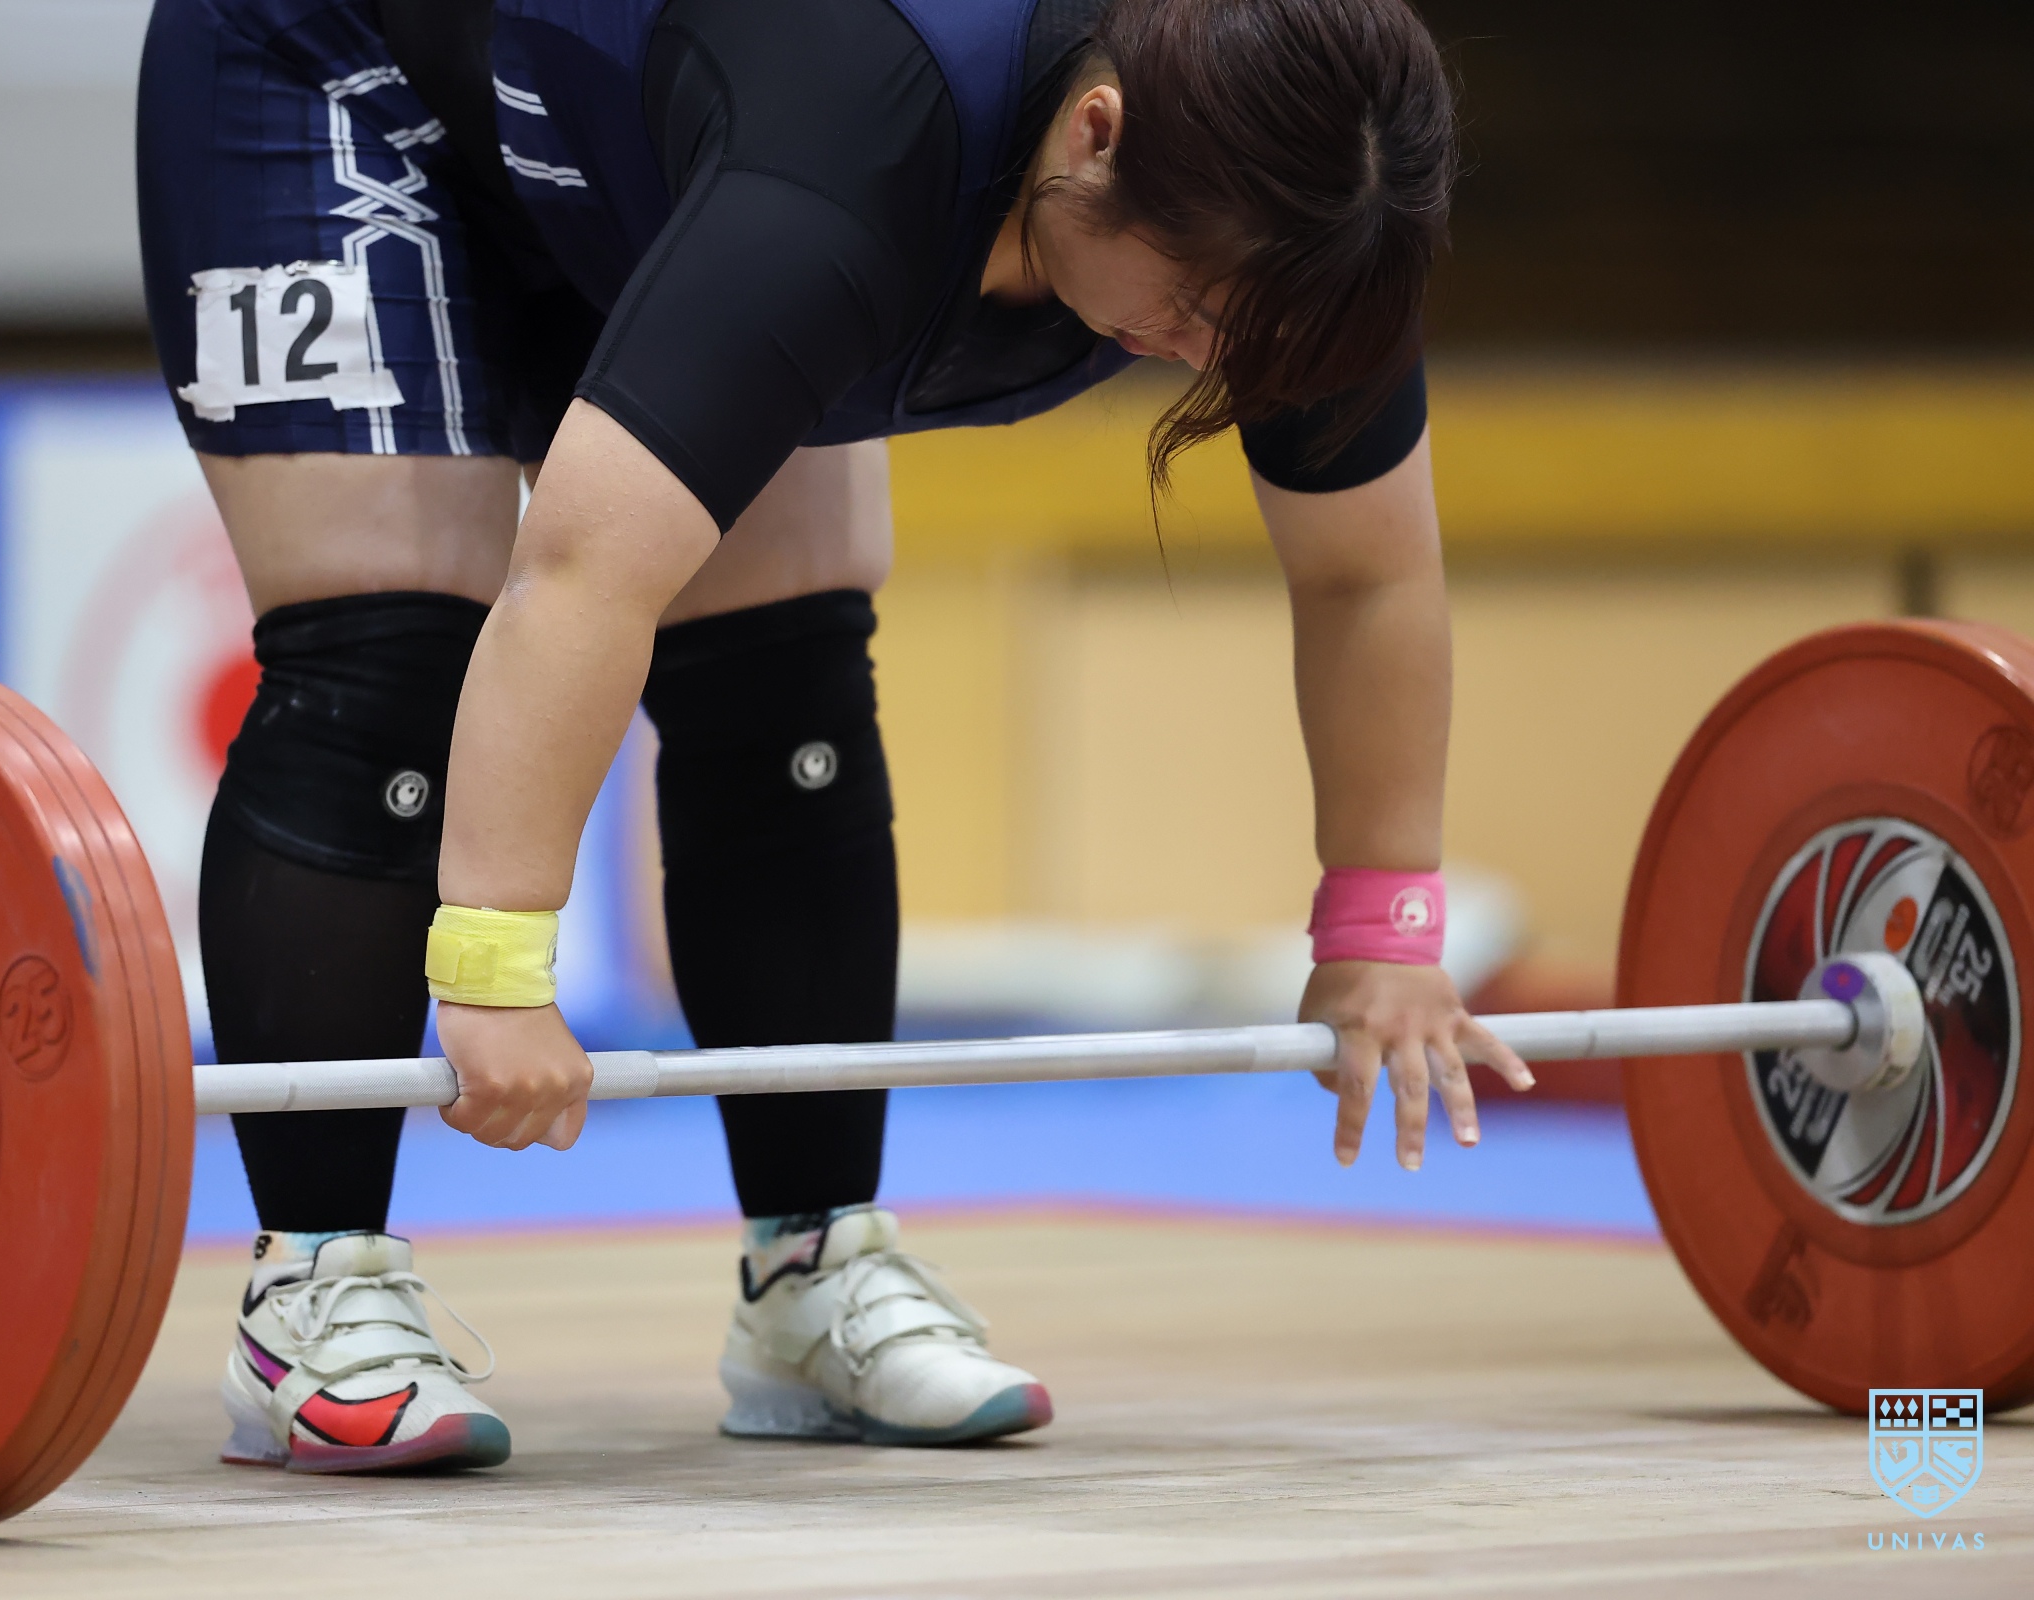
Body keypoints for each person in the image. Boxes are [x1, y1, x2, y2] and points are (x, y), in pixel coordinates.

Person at [137, 0, 1533, 1476]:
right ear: (1096, 131)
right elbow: (584, 573)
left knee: (783, 675)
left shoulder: (1315, 209)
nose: (1207, 362)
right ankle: (312, 1288)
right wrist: (492, 963)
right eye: (1193, 310)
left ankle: (809, 1268)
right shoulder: (856, 159)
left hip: (665, 144)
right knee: (382, 672)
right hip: (350, 67)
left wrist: (1383, 926)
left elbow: (1368, 575)